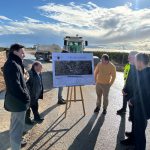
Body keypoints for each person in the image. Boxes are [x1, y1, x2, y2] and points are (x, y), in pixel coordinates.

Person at [3, 44, 30, 150]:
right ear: (15, 52)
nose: (24, 54)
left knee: (16, 125)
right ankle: (15, 147)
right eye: (22, 52)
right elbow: (15, 86)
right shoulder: (12, 65)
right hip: (17, 101)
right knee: (16, 128)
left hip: (16, 101)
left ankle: (17, 142)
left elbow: (19, 81)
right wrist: (26, 97)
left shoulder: (15, 63)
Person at [129, 53, 150, 150]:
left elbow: (145, 93)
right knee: (139, 130)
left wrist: (133, 100)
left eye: (136, 61)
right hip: (142, 107)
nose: (134, 63)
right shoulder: (144, 72)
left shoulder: (147, 74)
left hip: (142, 108)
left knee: (140, 132)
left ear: (141, 62)